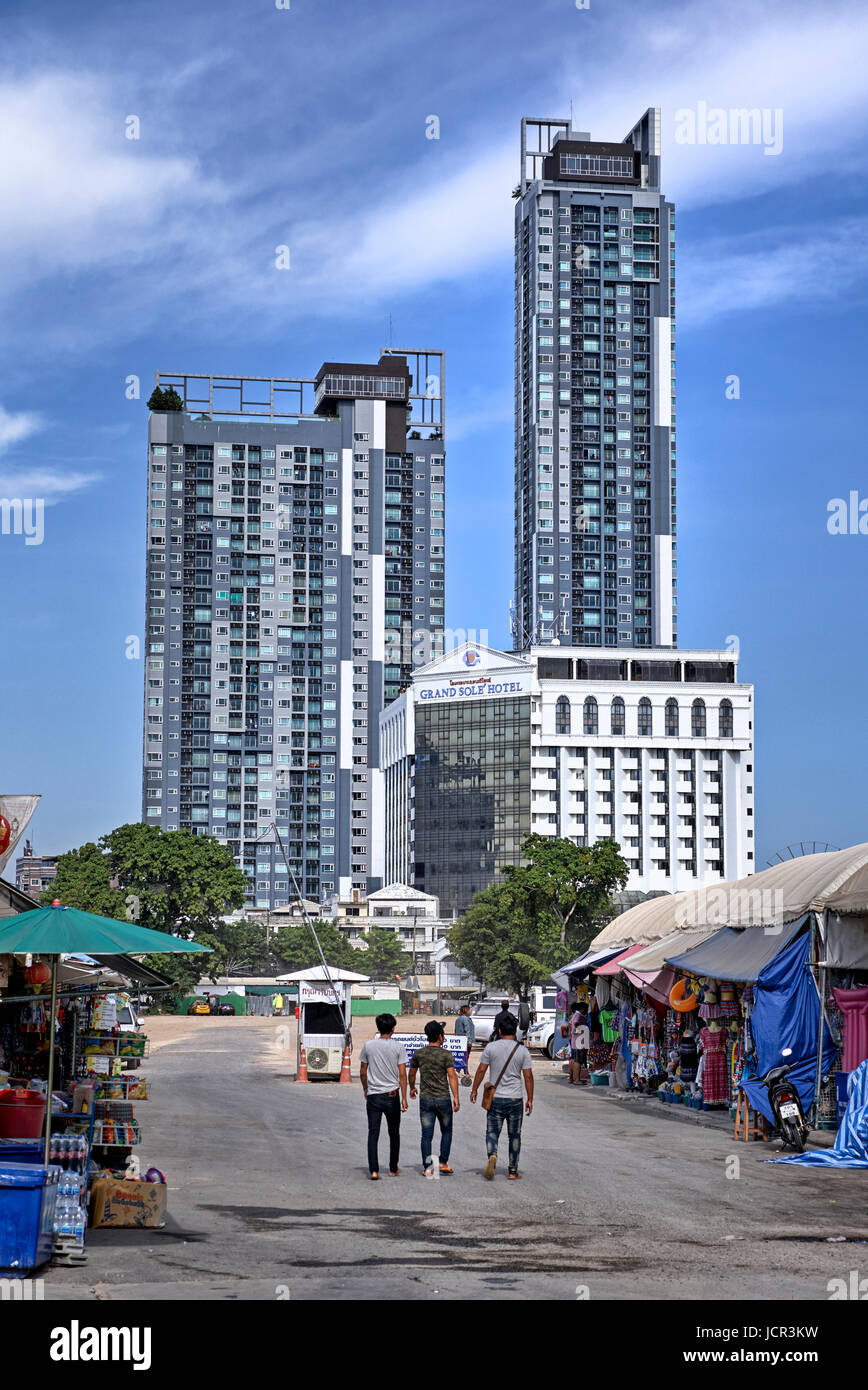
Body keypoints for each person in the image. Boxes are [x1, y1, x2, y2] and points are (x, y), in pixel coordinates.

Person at [470, 1014, 533, 1180]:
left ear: (499, 1030)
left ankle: (492, 1154)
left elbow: (482, 1070)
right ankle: (512, 1171)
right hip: (515, 1099)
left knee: (492, 1132)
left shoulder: (490, 1048)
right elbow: (528, 1077)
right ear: (516, 1031)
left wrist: (474, 1089)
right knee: (515, 1135)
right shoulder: (522, 1051)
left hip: (495, 1098)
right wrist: (530, 1099)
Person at [359, 1013, 408, 1180]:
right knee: (394, 1133)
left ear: (378, 1027)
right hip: (392, 1095)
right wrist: (404, 1098)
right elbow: (402, 1074)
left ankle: (374, 1170)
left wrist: (366, 1089)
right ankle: (393, 1168)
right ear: (393, 1029)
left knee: (373, 1133)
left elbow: (363, 1072)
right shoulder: (398, 1047)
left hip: (374, 1096)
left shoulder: (368, 1046)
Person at [408, 1020, 460, 1177]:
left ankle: (427, 1167)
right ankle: (443, 1163)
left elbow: (412, 1073)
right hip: (443, 1100)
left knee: (426, 1135)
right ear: (440, 1036)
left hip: (426, 1101)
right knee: (447, 1131)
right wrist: (456, 1096)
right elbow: (452, 1075)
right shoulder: (446, 1054)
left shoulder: (419, 1053)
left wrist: (412, 1087)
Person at [569, 1002, 590, 1085]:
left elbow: (570, 1024)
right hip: (579, 1042)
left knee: (573, 1059)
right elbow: (574, 1026)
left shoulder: (574, 1015)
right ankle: (577, 1079)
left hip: (575, 1041)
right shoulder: (579, 1016)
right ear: (582, 1009)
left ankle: (571, 1078)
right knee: (578, 1061)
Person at [453, 1004, 475, 1071]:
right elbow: (467, 1030)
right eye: (469, 1010)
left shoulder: (458, 1018)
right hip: (466, 1041)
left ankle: (458, 1070)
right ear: (466, 1010)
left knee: (460, 1056)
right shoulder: (465, 1019)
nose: (470, 1011)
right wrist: (469, 1041)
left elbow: (456, 1030)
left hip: (459, 1040)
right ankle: (466, 1071)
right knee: (466, 1057)